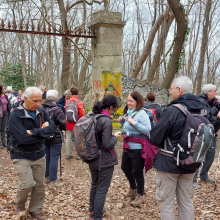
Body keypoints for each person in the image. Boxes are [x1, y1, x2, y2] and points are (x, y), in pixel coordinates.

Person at [149, 76, 208, 220]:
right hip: (190, 164)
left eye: (171, 88)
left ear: (179, 90)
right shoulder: (202, 110)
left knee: (166, 203)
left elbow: (155, 137)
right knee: (187, 202)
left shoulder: (172, 110)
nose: (169, 92)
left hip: (169, 165)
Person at [8, 87, 56, 220]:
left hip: (39, 153)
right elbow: (23, 139)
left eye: (40, 100)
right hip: (20, 154)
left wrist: (34, 132)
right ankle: (20, 205)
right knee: (27, 183)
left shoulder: (41, 111)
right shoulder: (15, 114)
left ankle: (36, 210)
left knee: (40, 185)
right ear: (25, 98)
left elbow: (52, 129)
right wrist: (42, 131)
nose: (38, 104)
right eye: (35, 101)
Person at [85, 94, 121, 220]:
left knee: (94, 184)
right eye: (114, 108)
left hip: (92, 156)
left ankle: (93, 210)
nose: (114, 110)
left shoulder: (93, 115)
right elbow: (107, 145)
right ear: (110, 107)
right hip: (104, 160)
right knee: (101, 189)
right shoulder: (106, 120)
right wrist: (115, 137)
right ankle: (97, 216)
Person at [118, 91, 152, 206]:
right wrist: (123, 123)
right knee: (125, 167)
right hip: (127, 146)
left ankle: (140, 194)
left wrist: (134, 123)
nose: (128, 103)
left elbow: (148, 130)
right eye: (127, 101)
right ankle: (133, 189)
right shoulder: (129, 112)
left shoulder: (142, 113)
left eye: (131, 101)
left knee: (137, 171)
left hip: (138, 148)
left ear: (137, 102)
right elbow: (128, 128)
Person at [193, 84, 220, 189]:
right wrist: (217, 117)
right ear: (208, 92)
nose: (216, 92)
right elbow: (207, 119)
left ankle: (204, 176)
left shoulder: (214, 101)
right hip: (202, 133)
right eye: (214, 91)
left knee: (211, 155)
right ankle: (192, 179)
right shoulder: (200, 101)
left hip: (213, 133)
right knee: (199, 155)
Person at [41, 90, 66, 189]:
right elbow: (63, 124)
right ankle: (53, 180)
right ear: (56, 98)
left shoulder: (41, 108)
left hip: (43, 135)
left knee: (47, 157)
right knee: (54, 158)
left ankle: (46, 177)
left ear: (46, 97)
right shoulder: (57, 109)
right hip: (55, 136)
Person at [65, 87, 85, 160]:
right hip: (77, 122)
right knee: (78, 138)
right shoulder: (79, 102)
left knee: (68, 138)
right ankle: (78, 155)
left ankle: (68, 154)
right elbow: (82, 113)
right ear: (78, 93)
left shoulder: (67, 101)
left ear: (70, 93)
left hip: (68, 122)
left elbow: (65, 110)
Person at [0, 85, 11, 149]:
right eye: (3, 89)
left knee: (3, 128)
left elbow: (8, 104)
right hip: (0, 114)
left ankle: (4, 142)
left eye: (4, 88)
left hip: (5, 113)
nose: (4, 90)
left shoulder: (6, 96)